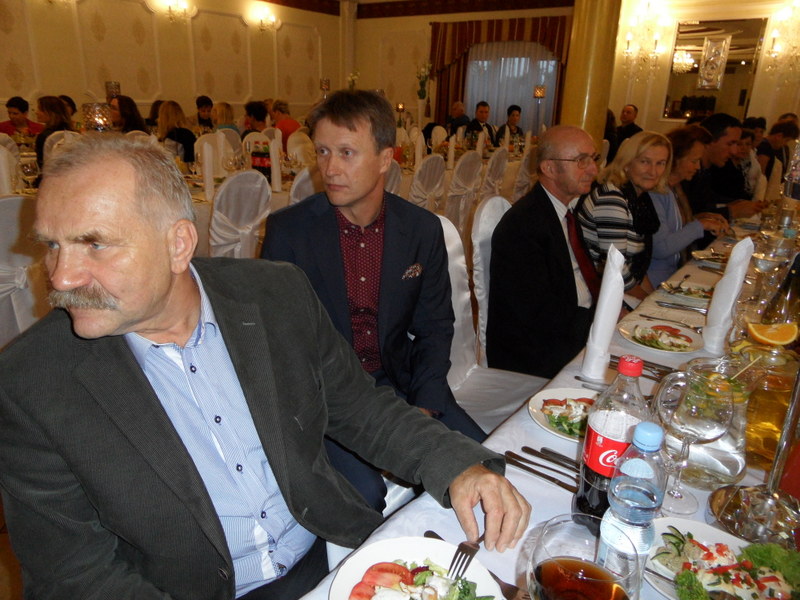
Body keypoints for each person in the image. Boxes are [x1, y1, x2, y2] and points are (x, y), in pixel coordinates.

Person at [0, 133, 529, 600]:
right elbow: (74, 575)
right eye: (52, 245)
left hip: (328, 558)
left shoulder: (275, 294)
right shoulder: (30, 384)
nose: (61, 277)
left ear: (178, 244)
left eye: (94, 244)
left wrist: (453, 463)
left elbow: (360, 408)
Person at [262, 90, 487, 511]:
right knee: (364, 497)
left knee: (481, 466)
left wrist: (424, 408)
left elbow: (435, 327)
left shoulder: (420, 229)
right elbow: (277, 346)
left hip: (400, 381)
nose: (330, 168)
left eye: (347, 153)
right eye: (323, 151)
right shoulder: (289, 232)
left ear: (386, 158)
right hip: (330, 396)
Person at [486, 125, 601, 379]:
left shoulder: (564, 211)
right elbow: (538, 316)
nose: (593, 169)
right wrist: (600, 324)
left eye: (594, 159)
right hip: (539, 358)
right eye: (581, 161)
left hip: (576, 331)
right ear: (549, 168)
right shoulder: (523, 226)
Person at [576, 131, 669, 300]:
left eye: (660, 163)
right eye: (645, 162)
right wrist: (649, 303)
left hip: (616, 291)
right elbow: (615, 271)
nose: (653, 171)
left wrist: (653, 299)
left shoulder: (639, 199)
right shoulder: (612, 198)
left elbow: (636, 267)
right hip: (596, 296)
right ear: (626, 163)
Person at [648, 125, 729, 287]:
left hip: (674, 273)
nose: (698, 167)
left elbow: (674, 227)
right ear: (675, 160)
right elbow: (661, 248)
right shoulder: (657, 193)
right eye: (694, 161)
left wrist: (701, 218)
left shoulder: (675, 189)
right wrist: (700, 225)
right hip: (658, 279)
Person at [682, 113, 763, 222]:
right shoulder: (687, 171)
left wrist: (736, 203)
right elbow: (689, 216)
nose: (734, 151)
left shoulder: (706, 170)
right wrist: (732, 211)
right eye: (730, 144)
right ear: (710, 140)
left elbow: (708, 199)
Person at [34, 95, 73, 168]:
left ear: (51, 112)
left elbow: (41, 165)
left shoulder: (44, 136)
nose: (36, 112)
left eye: (40, 110)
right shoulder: (71, 132)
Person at [735, 129, 763, 200]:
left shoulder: (752, 162)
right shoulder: (729, 165)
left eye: (747, 144)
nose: (744, 148)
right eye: (739, 144)